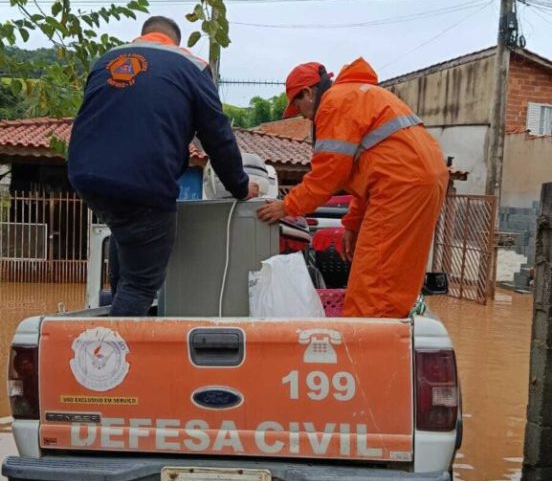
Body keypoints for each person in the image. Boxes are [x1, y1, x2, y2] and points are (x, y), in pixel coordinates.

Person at [69, 16, 258, 316]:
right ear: (175, 41)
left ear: (144, 36)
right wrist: (241, 185)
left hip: (86, 174)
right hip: (145, 180)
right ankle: (112, 357)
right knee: (142, 284)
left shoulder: (106, 60)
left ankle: (119, 308)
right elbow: (217, 135)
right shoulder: (192, 67)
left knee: (128, 237)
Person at [257, 58, 448, 318]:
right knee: (397, 274)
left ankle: (365, 347)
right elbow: (368, 169)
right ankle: (388, 334)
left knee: (373, 282)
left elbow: (328, 174)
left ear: (309, 93)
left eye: (298, 104)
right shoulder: (358, 96)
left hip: (400, 186)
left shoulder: (334, 104)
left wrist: (286, 206)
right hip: (422, 180)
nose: (302, 114)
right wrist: (353, 224)